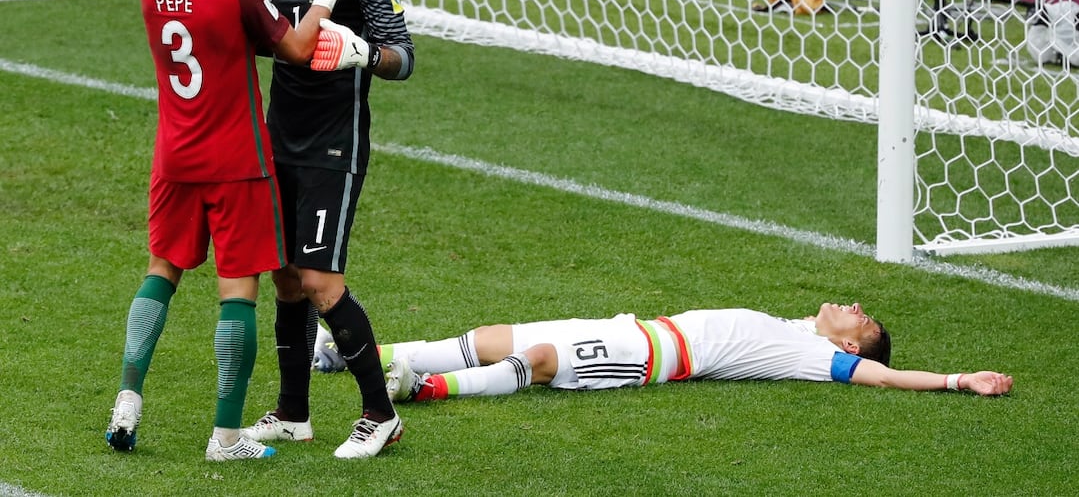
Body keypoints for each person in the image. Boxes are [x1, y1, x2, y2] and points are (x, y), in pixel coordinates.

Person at [105, 0, 378, 462]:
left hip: (174, 158)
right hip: (236, 162)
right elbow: (300, 48)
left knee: (162, 272)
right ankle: (226, 437)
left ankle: (127, 398)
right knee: (238, 293)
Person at [238, 0, 416, 460]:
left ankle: (380, 414)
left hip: (333, 149)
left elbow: (404, 56)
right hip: (278, 138)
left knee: (320, 280)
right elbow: (259, 35)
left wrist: (362, 53)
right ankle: (293, 412)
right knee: (285, 277)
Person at [310, 302, 1012, 399]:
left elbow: (882, 378)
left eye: (861, 318)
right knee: (494, 337)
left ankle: (422, 390)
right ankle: (352, 352)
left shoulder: (815, 357)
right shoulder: (801, 326)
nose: (851, 306)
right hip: (633, 327)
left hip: (648, 359)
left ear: (854, 342)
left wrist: (954, 380)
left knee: (545, 362)